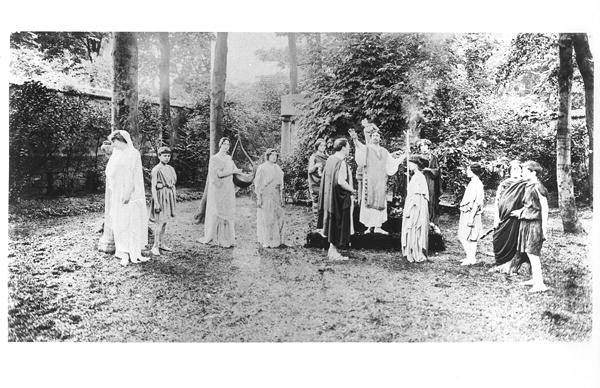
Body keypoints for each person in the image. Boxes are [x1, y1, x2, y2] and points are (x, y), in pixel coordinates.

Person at [349, 122, 403, 234]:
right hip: (369, 180)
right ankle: (369, 227)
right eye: (374, 135)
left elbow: (391, 162)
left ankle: (378, 227)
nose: (376, 137)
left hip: (380, 181)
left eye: (377, 136)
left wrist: (403, 156)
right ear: (371, 137)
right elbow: (359, 146)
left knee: (380, 202)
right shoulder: (367, 148)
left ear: (380, 138)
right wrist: (355, 139)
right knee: (369, 202)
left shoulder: (384, 151)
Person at [106, 130, 149, 266]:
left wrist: (128, 192)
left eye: (115, 142)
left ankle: (133, 251)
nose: (114, 145)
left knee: (131, 221)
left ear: (122, 140)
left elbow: (133, 175)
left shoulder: (133, 153)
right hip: (118, 190)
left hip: (130, 191)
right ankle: (122, 250)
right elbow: (110, 171)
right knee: (120, 221)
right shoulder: (116, 154)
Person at [510, 161, 549, 292]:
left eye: (525, 171)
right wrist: (520, 212)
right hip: (526, 222)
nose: (521, 173)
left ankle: (540, 285)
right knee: (528, 251)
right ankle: (535, 279)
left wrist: (544, 228)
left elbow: (544, 208)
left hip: (535, 224)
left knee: (533, 253)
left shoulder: (538, 186)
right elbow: (530, 205)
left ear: (533, 172)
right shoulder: (528, 185)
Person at [317, 138, 356, 261]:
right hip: (338, 198)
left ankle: (331, 250)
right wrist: (352, 190)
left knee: (332, 221)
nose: (349, 149)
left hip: (330, 198)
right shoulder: (340, 162)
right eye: (348, 146)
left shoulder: (330, 159)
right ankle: (333, 252)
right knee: (338, 222)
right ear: (343, 147)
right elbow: (340, 181)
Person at [199, 137, 242, 248]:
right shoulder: (215, 158)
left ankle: (227, 236)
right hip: (219, 188)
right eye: (224, 144)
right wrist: (233, 171)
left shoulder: (229, 158)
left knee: (227, 210)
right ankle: (216, 236)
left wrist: (243, 174)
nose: (226, 146)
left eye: (228, 144)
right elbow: (219, 174)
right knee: (218, 211)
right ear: (220, 145)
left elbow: (235, 170)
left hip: (228, 187)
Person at [488, 160, 528, 273]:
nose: (515, 171)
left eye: (517, 169)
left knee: (514, 241)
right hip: (503, 218)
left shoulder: (525, 184)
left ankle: (511, 265)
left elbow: (530, 202)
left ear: (521, 171)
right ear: (509, 171)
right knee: (498, 238)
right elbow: (497, 201)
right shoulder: (504, 184)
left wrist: (521, 211)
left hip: (517, 219)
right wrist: (496, 218)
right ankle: (500, 263)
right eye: (513, 169)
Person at [149, 146, 177, 256]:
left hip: (168, 195)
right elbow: (153, 186)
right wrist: (156, 202)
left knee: (165, 221)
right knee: (159, 222)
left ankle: (161, 243)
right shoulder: (156, 169)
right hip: (160, 196)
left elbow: (173, 182)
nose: (166, 158)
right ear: (159, 156)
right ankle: (154, 246)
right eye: (164, 156)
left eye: (168, 156)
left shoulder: (170, 168)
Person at [401, 156, 430, 262]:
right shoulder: (416, 176)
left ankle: (416, 251)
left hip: (416, 206)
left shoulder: (419, 177)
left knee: (414, 226)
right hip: (412, 203)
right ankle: (411, 250)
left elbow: (418, 196)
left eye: (411, 163)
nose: (409, 165)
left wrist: (411, 209)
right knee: (411, 227)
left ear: (416, 165)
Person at [255, 148, 286, 248]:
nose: (274, 157)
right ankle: (267, 240)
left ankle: (278, 240)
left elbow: (281, 184)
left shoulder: (277, 167)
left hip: (276, 194)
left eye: (276, 155)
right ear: (267, 156)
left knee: (278, 216)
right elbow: (258, 184)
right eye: (272, 155)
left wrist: (282, 197)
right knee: (267, 217)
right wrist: (259, 198)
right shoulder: (262, 168)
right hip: (266, 194)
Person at [457, 163, 485, 266]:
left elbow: (477, 203)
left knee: (467, 236)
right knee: (466, 236)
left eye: (469, 170)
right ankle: (470, 257)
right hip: (467, 212)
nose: (467, 172)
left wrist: (471, 217)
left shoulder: (477, 184)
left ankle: (471, 258)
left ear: (473, 171)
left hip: (471, 213)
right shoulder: (473, 182)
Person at [417, 139, 441, 225]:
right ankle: (420, 219)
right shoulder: (418, 157)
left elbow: (437, 170)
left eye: (424, 145)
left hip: (431, 180)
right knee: (421, 197)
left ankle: (430, 219)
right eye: (421, 146)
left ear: (428, 146)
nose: (423, 148)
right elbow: (414, 169)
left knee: (431, 198)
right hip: (421, 179)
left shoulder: (433, 158)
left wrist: (429, 170)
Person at [307, 139, 328, 231]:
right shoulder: (314, 157)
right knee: (316, 202)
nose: (323, 147)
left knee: (325, 202)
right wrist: (316, 166)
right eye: (321, 146)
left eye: (324, 145)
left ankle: (324, 224)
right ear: (317, 147)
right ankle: (316, 223)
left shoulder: (327, 157)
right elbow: (309, 170)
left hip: (325, 182)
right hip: (316, 182)